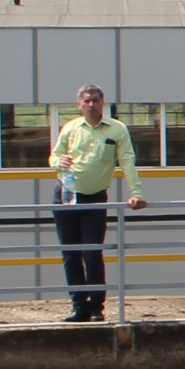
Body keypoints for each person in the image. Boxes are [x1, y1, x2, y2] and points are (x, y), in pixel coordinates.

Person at [44, 85, 147, 322]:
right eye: (87, 101)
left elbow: (127, 161)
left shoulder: (116, 129)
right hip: (67, 194)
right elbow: (54, 156)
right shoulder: (71, 128)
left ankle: (96, 306)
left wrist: (136, 192)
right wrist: (59, 161)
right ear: (79, 104)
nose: (91, 105)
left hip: (95, 197)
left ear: (102, 103)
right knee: (71, 253)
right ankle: (79, 306)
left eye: (95, 101)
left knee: (92, 251)